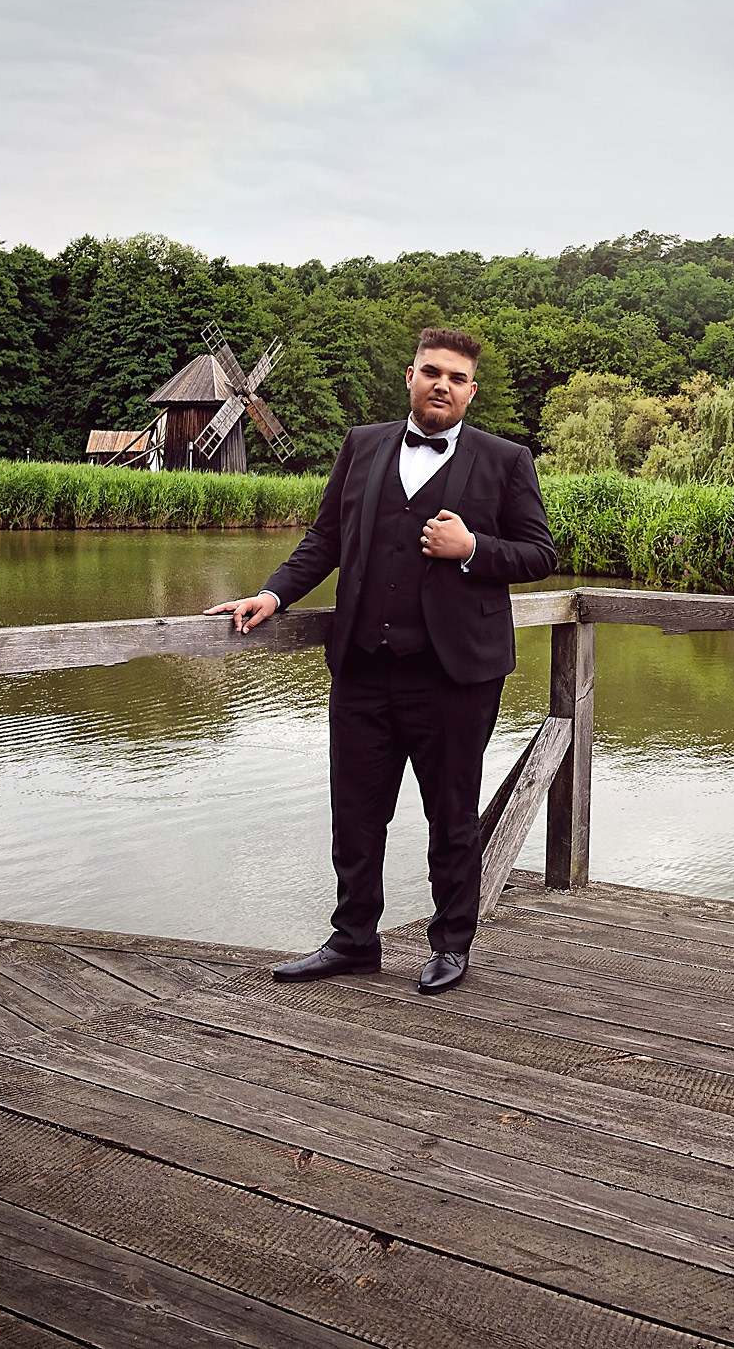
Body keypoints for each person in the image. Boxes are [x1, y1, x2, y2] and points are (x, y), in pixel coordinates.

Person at [209, 327, 555, 996]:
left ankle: (451, 944)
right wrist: (274, 592)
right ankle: (353, 941)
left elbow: (540, 553)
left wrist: (473, 546)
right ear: (410, 377)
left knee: (451, 816)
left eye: (457, 377)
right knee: (357, 812)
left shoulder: (506, 460)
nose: (443, 385)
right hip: (364, 667)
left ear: (471, 391)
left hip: (455, 677)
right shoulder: (362, 446)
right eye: (433, 372)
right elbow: (325, 538)